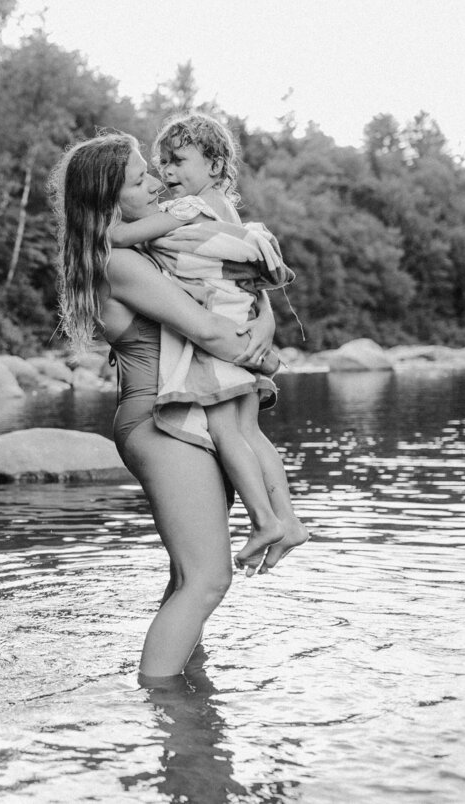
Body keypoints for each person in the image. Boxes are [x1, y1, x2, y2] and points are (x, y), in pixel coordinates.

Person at [47, 130, 308, 685]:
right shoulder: (118, 260)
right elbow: (209, 330)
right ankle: (166, 709)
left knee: (189, 575)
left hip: (188, 415)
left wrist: (264, 318)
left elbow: (236, 293)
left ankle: (191, 700)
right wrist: (269, 362)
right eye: (140, 177)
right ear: (111, 201)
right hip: (159, 423)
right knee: (209, 579)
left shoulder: (152, 247)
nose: (156, 180)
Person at [105, 111, 305, 574]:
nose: (166, 174)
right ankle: (288, 518)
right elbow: (248, 277)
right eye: (161, 164)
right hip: (240, 317)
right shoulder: (227, 210)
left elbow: (121, 235)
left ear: (215, 166)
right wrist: (264, 321)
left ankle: (263, 521)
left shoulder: (187, 209)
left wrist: (99, 228)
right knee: (250, 431)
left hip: (221, 332)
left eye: (176, 162)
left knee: (224, 429)